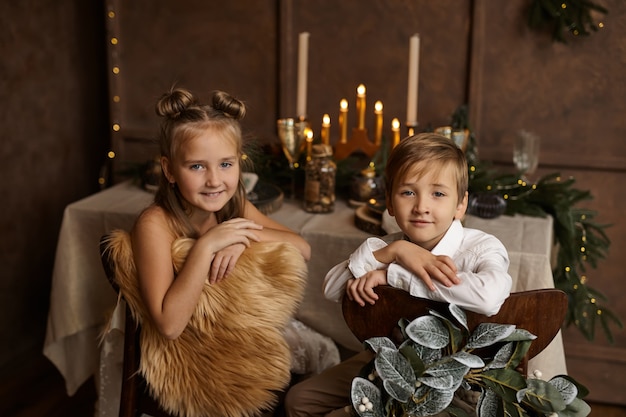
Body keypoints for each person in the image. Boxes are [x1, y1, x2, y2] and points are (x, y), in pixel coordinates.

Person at [284, 132, 512, 417]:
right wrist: (392, 253)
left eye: (438, 194)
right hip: (388, 360)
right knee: (299, 400)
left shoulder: (480, 248)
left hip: (453, 378)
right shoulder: (391, 244)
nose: (421, 207)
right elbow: (331, 288)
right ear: (389, 202)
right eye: (408, 192)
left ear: (460, 204)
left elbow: (489, 297)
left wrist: (395, 275)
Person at [131, 87, 311, 340]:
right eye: (197, 167)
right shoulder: (155, 224)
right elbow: (169, 326)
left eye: (225, 164)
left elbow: (303, 249)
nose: (214, 181)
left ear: (239, 161)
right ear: (169, 170)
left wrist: (242, 239)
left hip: (233, 333)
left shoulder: (234, 204)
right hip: (190, 354)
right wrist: (206, 246)